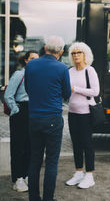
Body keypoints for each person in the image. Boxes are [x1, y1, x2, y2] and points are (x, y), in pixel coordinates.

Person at [25, 36, 71, 201]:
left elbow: (28, 88)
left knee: (35, 159)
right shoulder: (62, 68)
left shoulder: (30, 65)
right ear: (61, 51)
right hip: (52, 118)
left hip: (34, 117)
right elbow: (67, 94)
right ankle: (48, 199)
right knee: (51, 161)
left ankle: (34, 198)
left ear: (45, 49)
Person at [65, 42, 99, 188]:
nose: (76, 55)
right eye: (73, 53)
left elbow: (95, 92)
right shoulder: (69, 71)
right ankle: (78, 173)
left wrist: (75, 89)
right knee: (76, 144)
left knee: (87, 144)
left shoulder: (89, 70)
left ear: (85, 55)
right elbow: (66, 91)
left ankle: (89, 175)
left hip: (86, 113)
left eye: (79, 52)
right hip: (72, 112)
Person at [5, 51, 39, 192]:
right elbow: (8, 95)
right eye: (32, 59)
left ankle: (26, 176)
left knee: (31, 146)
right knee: (19, 146)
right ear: (26, 61)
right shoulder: (19, 74)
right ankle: (18, 179)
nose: (35, 61)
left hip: (34, 112)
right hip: (21, 111)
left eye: (37, 59)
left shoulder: (39, 76)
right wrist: (15, 110)